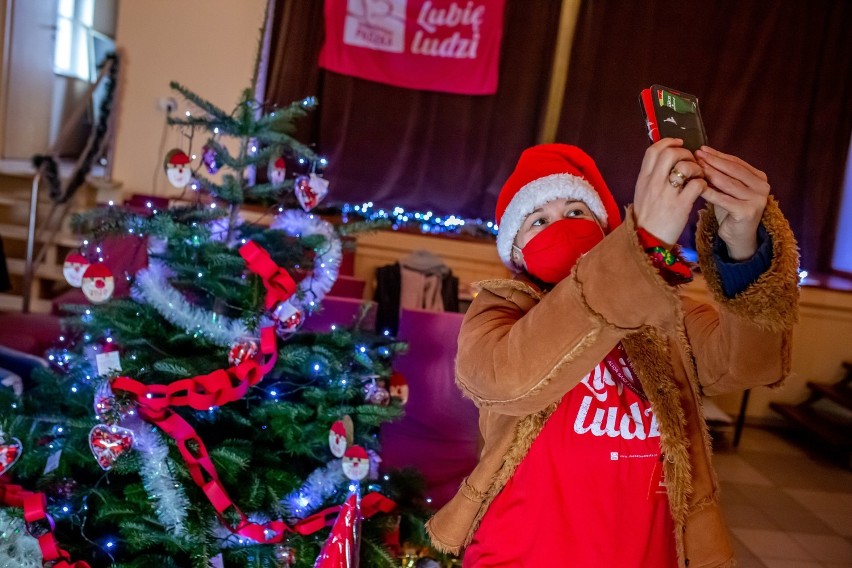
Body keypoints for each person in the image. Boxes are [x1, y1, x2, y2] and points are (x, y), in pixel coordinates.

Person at [425, 139, 799, 567]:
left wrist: (743, 248)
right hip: (522, 549)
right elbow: (504, 381)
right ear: (513, 250)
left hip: (640, 550)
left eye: (575, 212)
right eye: (538, 219)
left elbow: (747, 364)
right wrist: (641, 245)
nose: (560, 225)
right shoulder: (502, 308)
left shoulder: (664, 311)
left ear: (604, 227)